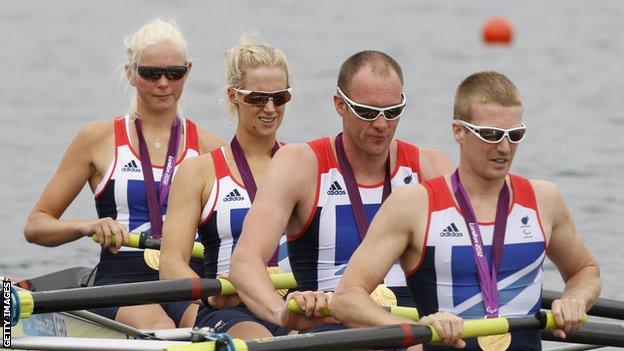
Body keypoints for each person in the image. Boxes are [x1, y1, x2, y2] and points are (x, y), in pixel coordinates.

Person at [331, 71, 601, 350]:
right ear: (458, 131)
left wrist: (575, 299)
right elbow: (347, 298)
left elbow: (585, 270)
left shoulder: (544, 199)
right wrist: (413, 329)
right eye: (491, 135)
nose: (505, 147)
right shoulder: (414, 205)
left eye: (515, 134)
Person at [229, 50, 456, 335]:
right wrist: (282, 313)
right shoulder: (300, 165)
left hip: (415, 329)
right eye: (367, 112)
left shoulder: (431, 166)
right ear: (339, 104)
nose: (382, 125)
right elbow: (245, 263)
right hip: (332, 329)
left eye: (393, 111)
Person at [22, 18, 223, 329]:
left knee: (205, 330)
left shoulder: (212, 149)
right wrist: (88, 226)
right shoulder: (97, 139)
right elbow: (36, 225)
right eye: (150, 73)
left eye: (174, 73)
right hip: (122, 278)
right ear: (130, 73)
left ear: (189, 72)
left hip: (188, 279)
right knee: (162, 330)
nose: (163, 84)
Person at [159, 34, 292, 338]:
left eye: (279, 97)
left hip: (291, 304)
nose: (270, 108)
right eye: (257, 98)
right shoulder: (199, 172)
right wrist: (211, 295)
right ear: (234, 95)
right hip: (228, 308)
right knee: (261, 343)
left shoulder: (303, 165)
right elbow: (169, 265)